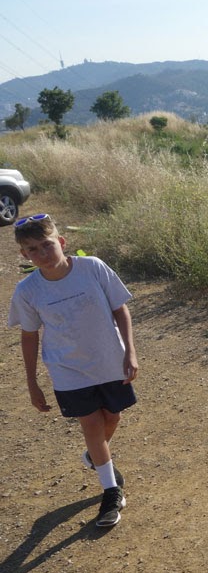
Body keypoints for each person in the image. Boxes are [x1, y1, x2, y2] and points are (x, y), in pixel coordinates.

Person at [8, 213, 138, 528]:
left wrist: (130, 352)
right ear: (24, 255)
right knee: (91, 424)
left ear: (62, 242)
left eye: (46, 244)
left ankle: (95, 456)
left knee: (112, 418)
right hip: (67, 368)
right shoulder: (28, 291)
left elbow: (120, 309)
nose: (42, 253)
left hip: (109, 359)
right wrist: (32, 382)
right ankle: (111, 492)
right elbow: (29, 336)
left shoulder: (92, 268)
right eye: (32, 249)